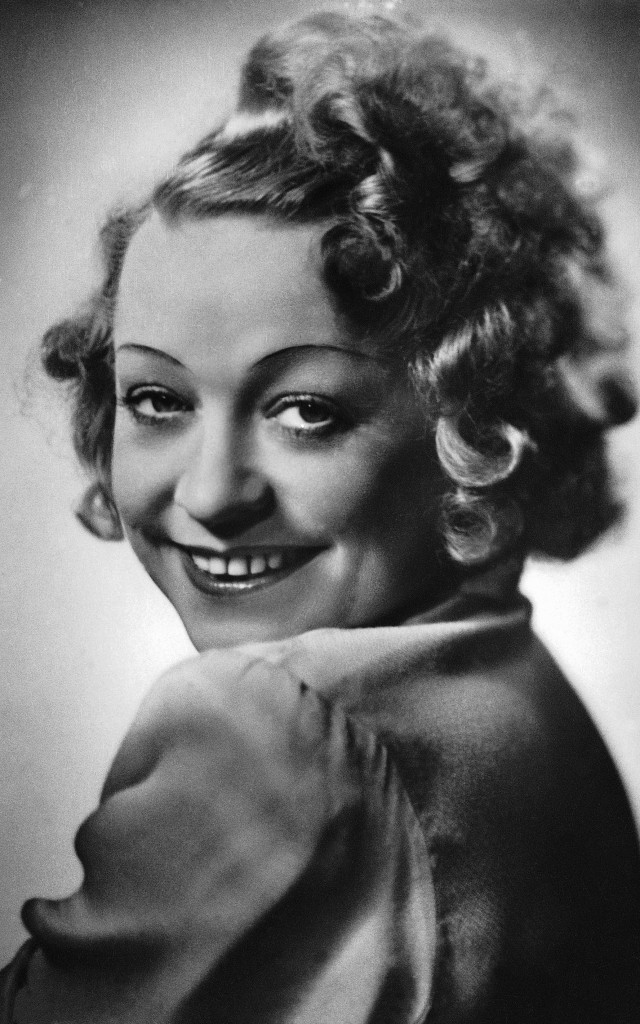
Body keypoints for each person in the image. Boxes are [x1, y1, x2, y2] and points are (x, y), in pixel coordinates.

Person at [1, 7, 639, 1022]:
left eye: (306, 411)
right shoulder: (512, 689)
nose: (211, 495)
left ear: (473, 430)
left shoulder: (269, 727)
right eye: (156, 399)